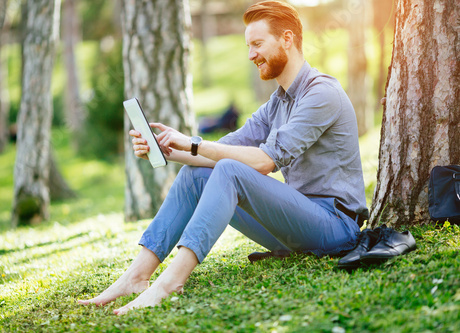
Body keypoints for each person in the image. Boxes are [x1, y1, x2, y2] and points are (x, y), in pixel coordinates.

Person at [78, 0, 369, 315]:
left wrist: (191, 143)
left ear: (287, 39)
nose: (250, 54)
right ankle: (137, 276)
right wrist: (168, 147)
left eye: (257, 44)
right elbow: (227, 146)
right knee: (197, 176)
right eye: (248, 46)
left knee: (229, 170)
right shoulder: (278, 103)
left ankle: (170, 283)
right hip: (296, 226)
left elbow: (264, 162)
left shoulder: (321, 93)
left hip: (335, 228)